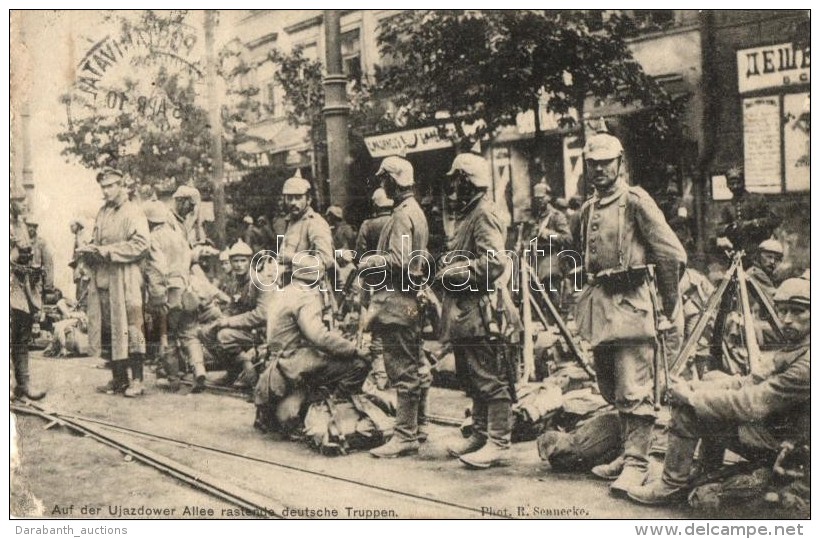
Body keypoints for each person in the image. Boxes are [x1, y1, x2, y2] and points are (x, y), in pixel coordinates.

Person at [571, 133, 687, 495]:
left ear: (619, 163)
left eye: (607, 162)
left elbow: (672, 255)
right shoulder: (589, 207)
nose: (600, 169)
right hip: (602, 310)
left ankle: (639, 464)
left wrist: (668, 307)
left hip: (633, 306)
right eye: (593, 163)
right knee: (612, 386)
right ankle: (628, 453)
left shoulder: (636, 201)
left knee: (635, 387)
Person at [628, 277, 810, 505]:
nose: (786, 320)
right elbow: (749, 382)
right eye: (782, 311)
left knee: (690, 411)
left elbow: (751, 403)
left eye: (798, 312)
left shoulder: (807, 365)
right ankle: (706, 470)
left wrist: (691, 397)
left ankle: (671, 485)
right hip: (774, 431)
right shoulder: (799, 346)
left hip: (786, 450)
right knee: (712, 380)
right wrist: (696, 386)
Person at [438, 153, 516, 469]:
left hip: (481, 310)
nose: (453, 187)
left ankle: (498, 441)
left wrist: (454, 272)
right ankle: (481, 434)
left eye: (456, 180)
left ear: (467, 181)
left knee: (490, 376)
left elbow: (494, 262)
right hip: (466, 311)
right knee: (473, 375)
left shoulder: (483, 213)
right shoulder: (470, 213)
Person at [254, 253, 370, 433]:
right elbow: (318, 336)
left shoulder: (285, 291)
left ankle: (291, 406)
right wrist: (353, 349)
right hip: (296, 363)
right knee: (358, 365)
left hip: (279, 361)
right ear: (319, 277)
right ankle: (329, 409)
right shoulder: (307, 296)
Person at [361, 156, 430, 458]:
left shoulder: (402, 215)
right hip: (409, 301)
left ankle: (405, 435)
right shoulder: (415, 211)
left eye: (383, 178)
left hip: (397, 302)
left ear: (393, 179)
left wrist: (372, 260)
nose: (381, 184)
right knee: (413, 365)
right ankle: (417, 427)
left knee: (402, 370)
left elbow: (400, 261)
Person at [81, 168, 150, 397]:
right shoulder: (103, 212)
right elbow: (97, 239)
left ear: (121, 186)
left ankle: (138, 380)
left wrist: (108, 251)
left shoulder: (133, 211)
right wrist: (90, 248)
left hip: (126, 277)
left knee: (131, 327)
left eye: (111, 185)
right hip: (104, 278)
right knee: (110, 328)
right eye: (103, 186)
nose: (106, 190)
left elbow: (141, 244)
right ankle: (119, 379)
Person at [204, 240, 273, 389]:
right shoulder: (235, 281)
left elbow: (262, 314)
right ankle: (233, 372)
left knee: (225, 336)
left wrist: (229, 322)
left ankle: (248, 368)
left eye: (243, 260)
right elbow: (232, 306)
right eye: (235, 261)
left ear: (250, 261)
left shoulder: (260, 281)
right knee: (207, 333)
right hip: (243, 329)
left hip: (260, 332)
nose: (239, 265)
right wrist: (223, 318)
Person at [10, 187, 46, 400]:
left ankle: (23, 383)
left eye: (24, 200)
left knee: (21, 336)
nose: (24, 203)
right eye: (19, 200)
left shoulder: (21, 224)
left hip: (22, 285)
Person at [278, 173, 334, 286]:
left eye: (298, 197)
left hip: (311, 291)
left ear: (308, 199)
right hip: (289, 288)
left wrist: (292, 258)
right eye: (289, 198)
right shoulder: (291, 221)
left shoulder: (315, 222)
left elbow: (325, 261)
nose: (293, 202)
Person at [716, 166, 781, 258]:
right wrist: (731, 227)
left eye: (738, 182)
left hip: (759, 249)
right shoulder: (728, 206)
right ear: (727, 185)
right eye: (731, 183)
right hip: (738, 252)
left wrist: (751, 224)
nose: (735, 186)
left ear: (743, 182)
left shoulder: (757, 199)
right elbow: (719, 228)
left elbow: (773, 220)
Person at [24, 216, 55, 301]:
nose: (30, 229)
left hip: (35, 280)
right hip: (22, 279)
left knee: (36, 305)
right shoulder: (22, 242)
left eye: (33, 226)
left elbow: (48, 264)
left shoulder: (41, 243)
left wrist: (48, 286)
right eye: (28, 226)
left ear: (36, 228)